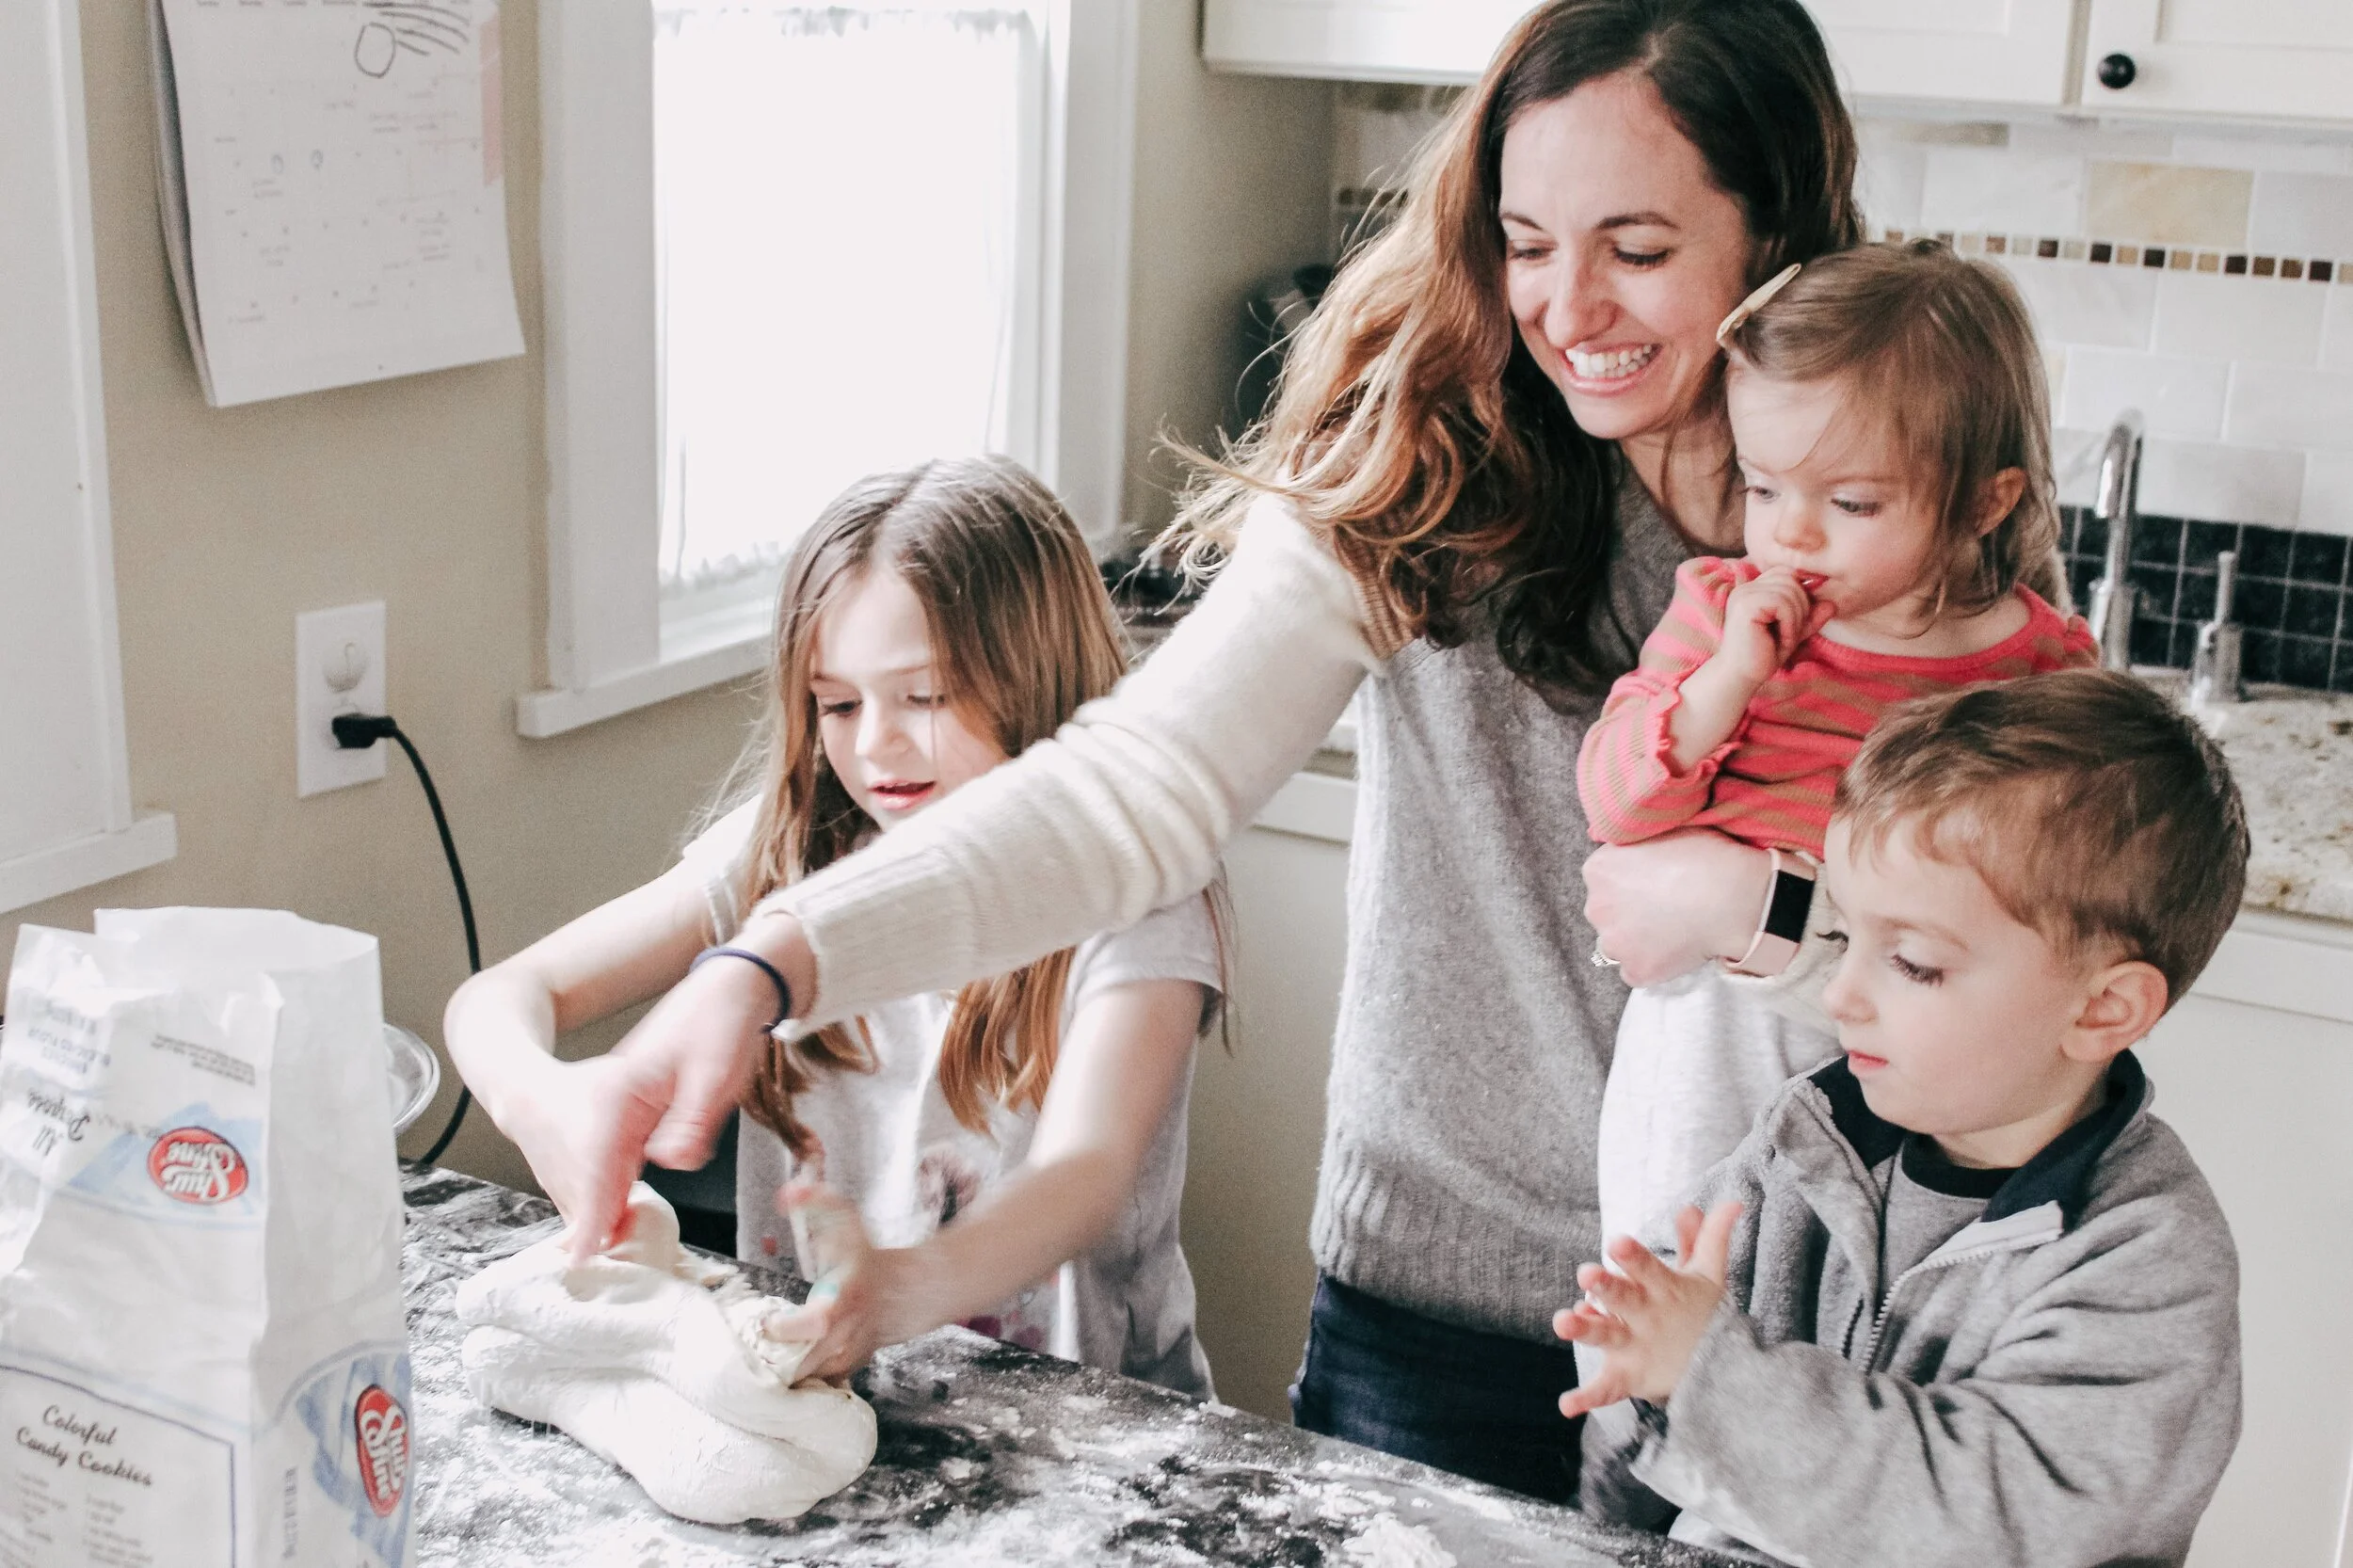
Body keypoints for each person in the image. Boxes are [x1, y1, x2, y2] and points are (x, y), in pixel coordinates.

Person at [503, 0, 1865, 1501]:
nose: (1568, 307)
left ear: (1777, 228)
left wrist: (1773, 919)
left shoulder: (1894, 480)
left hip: (1785, 1325)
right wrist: (770, 960)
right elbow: (1134, 793)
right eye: (1526, 243)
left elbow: (2048, 907)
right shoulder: (1426, 443)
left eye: (1641, 249)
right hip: (1435, 1303)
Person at [445, 456, 1224, 1397]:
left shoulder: (1136, 893)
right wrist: (544, 1102)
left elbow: (1086, 1173)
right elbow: (504, 996)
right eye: (838, 702)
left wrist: (898, 1287)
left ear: (1038, 674)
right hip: (832, 1384)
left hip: (1093, 1422)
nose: (873, 744)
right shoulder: (793, 851)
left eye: (924, 696)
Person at [1563, 670, 2248, 1567]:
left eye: (1915, 963)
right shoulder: (1808, 1136)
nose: (1840, 994)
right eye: (1845, 937)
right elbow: (1638, 1407)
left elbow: (1975, 1523)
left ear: (2103, 1010)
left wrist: (1707, 1376)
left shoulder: (2143, 1258)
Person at [1576, 242, 2095, 1253]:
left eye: (1852, 503)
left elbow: (2054, 899)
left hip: (1920, 1057)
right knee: (1677, 1279)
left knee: (1858, 1313)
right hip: (1719, 1030)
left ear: (1985, 502)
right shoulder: (1718, 617)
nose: (1793, 539)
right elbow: (1616, 808)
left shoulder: (2038, 668)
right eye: (1764, 490)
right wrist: (1728, 680)